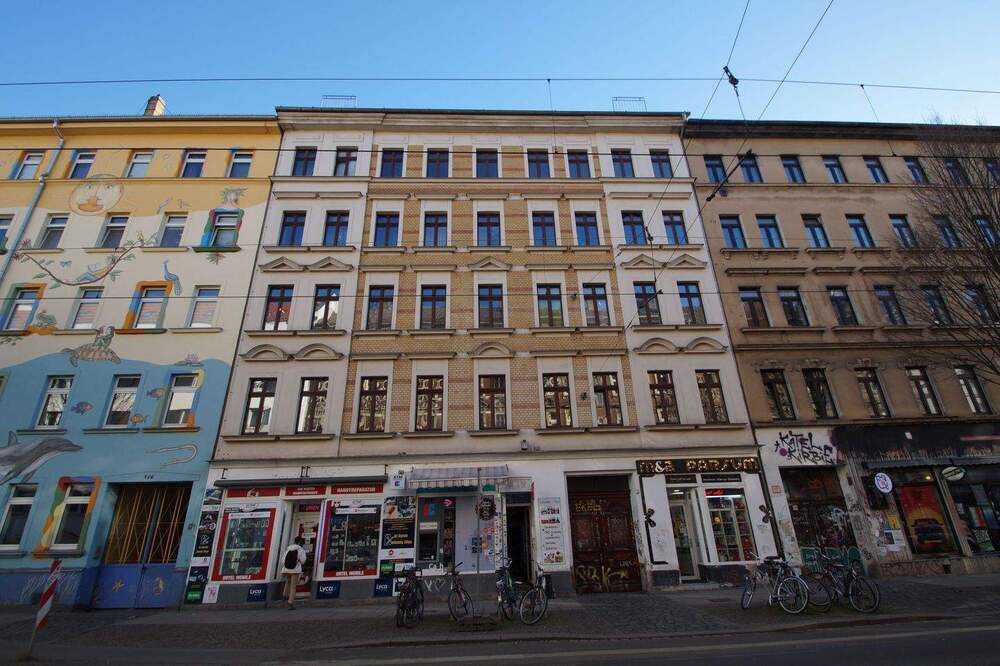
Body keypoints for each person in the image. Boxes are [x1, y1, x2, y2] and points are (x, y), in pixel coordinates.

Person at [280, 536, 307, 610]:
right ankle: (290, 603)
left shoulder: (288, 549)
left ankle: (284, 596)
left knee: (288, 582)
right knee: (293, 586)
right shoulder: (301, 550)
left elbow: (283, 560)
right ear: (300, 542)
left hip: (287, 569)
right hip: (295, 570)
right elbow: (303, 561)